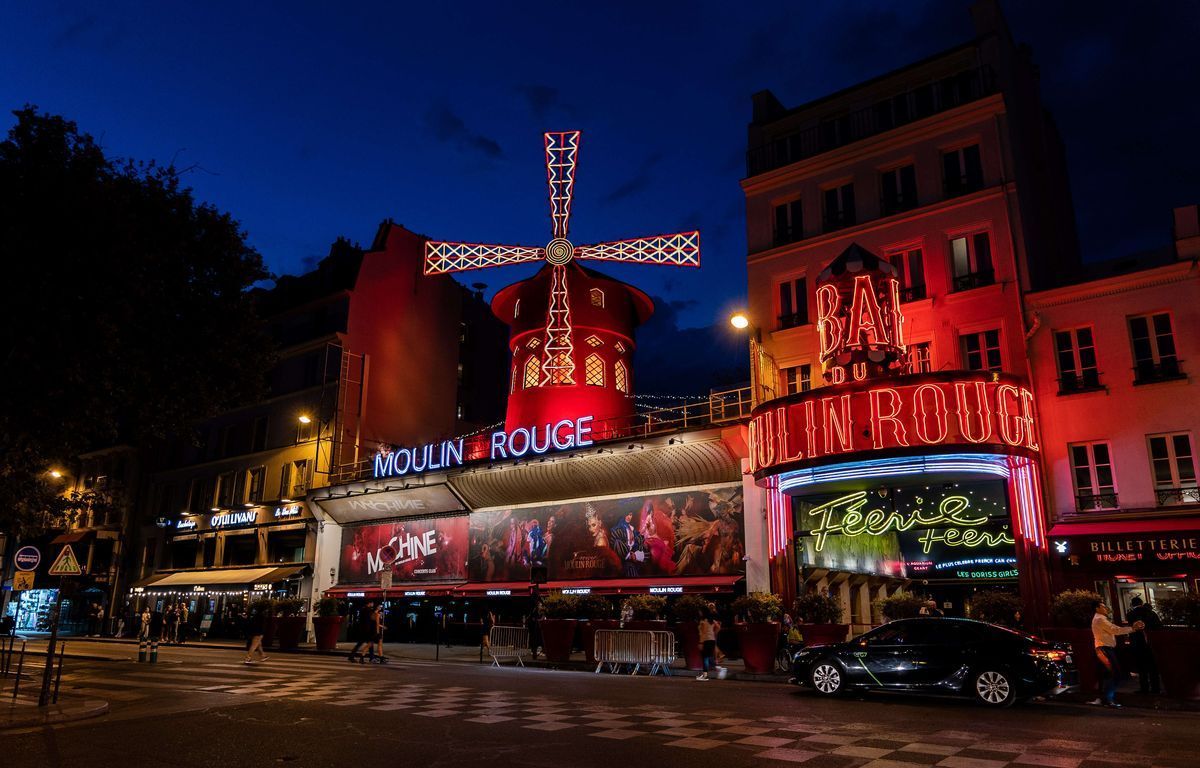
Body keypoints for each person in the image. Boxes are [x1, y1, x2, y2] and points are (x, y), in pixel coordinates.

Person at [1090, 600, 1143, 707]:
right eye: (1103, 606)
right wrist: (1132, 628)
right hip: (1104, 649)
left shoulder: (1101, 619)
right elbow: (1115, 630)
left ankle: (1103, 698)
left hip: (1105, 648)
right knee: (1114, 674)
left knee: (1109, 674)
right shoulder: (1100, 619)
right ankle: (1108, 699)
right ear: (1097, 608)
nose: (1106, 608)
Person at [1125, 597, 1162, 694]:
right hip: (1150, 643)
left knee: (1142, 668)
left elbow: (1131, 627)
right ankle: (1156, 688)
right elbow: (1158, 626)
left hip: (1137, 644)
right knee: (1153, 667)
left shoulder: (1130, 614)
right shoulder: (1151, 613)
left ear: (1132, 605)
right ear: (1141, 603)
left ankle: (1144, 688)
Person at [696, 610, 720, 681]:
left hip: (705, 640)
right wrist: (713, 633)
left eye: (700, 611)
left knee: (705, 658)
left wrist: (701, 643)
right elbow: (718, 627)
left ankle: (705, 675)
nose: (699, 612)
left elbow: (702, 634)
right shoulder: (712, 620)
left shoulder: (703, 621)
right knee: (709, 656)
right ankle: (707, 673)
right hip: (712, 640)